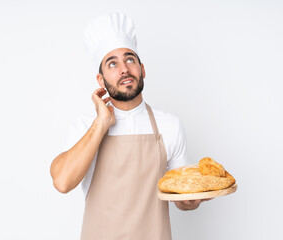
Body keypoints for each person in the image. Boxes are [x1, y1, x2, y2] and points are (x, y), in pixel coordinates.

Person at [50, 12, 211, 240]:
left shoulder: (169, 125)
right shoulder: (84, 126)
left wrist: (191, 200)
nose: (124, 69)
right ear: (101, 80)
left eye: (130, 59)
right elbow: (63, 182)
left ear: (142, 70)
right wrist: (101, 123)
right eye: (112, 63)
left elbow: (182, 199)